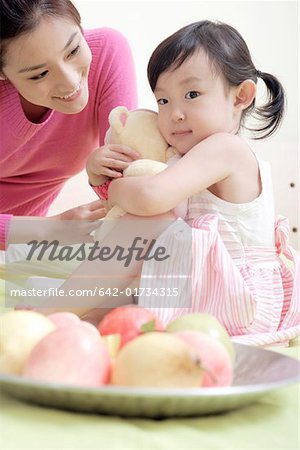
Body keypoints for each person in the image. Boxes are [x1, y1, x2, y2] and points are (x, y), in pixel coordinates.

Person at [87, 20, 299, 345]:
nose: (175, 114)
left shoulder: (225, 148)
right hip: (204, 294)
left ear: (241, 96)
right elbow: (120, 211)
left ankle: (66, 304)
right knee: (147, 232)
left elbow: (149, 198)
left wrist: (114, 188)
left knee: (153, 219)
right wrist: (98, 173)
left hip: (237, 302)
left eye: (192, 94)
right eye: (163, 101)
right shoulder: (183, 158)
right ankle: (89, 317)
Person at [0, 0, 139, 249]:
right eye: (39, 74)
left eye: (73, 51)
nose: (69, 82)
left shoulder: (107, 53)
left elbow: (130, 176)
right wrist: (52, 227)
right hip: (33, 239)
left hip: (25, 246)